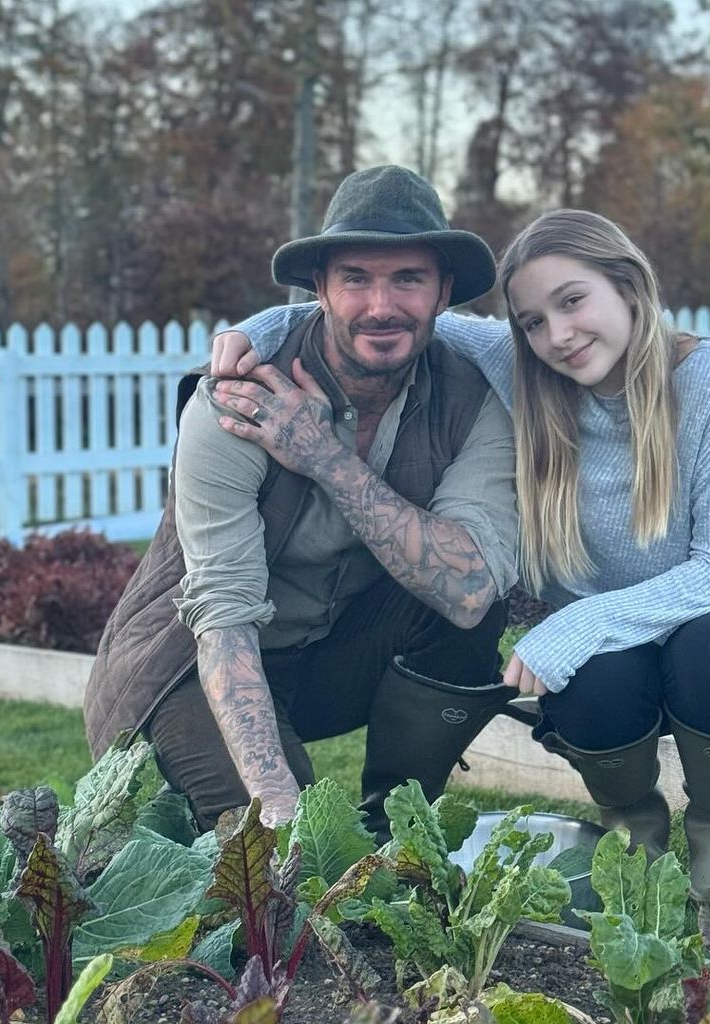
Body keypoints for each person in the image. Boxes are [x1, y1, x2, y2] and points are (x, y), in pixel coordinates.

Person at [214, 208, 710, 906]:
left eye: (573, 301)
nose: (558, 335)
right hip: (611, 642)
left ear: (627, 285)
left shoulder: (708, 378)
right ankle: (634, 833)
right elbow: (378, 320)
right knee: (592, 685)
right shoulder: (522, 366)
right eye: (532, 321)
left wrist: (578, 624)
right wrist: (249, 333)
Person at [84, 165, 519, 839]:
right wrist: (277, 798)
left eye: (408, 278)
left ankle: (400, 827)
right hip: (189, 665)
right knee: (292, 849)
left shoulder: (471, 399)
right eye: (356, 278)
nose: (381, 305)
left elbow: (470, 591)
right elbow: (223, 616)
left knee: (473, 604)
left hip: (326, 659)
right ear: (320, 288)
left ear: (443, 292)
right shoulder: (237, 398)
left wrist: (326, 459)